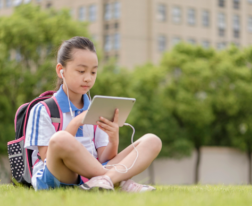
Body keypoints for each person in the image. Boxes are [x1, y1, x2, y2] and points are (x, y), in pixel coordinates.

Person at [24, 36, 162, 192]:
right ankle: (119, 181)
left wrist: (113, 137)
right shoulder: (43, 109)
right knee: (60, 139)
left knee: (152, 141)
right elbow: (47, 157)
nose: (88, 78)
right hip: (58, 176)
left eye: (93, 72)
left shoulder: (96, 108)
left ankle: (105, 180)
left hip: (92, 175)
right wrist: (76, 122)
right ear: (60, 71)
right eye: (81, 71)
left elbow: (104, 158)